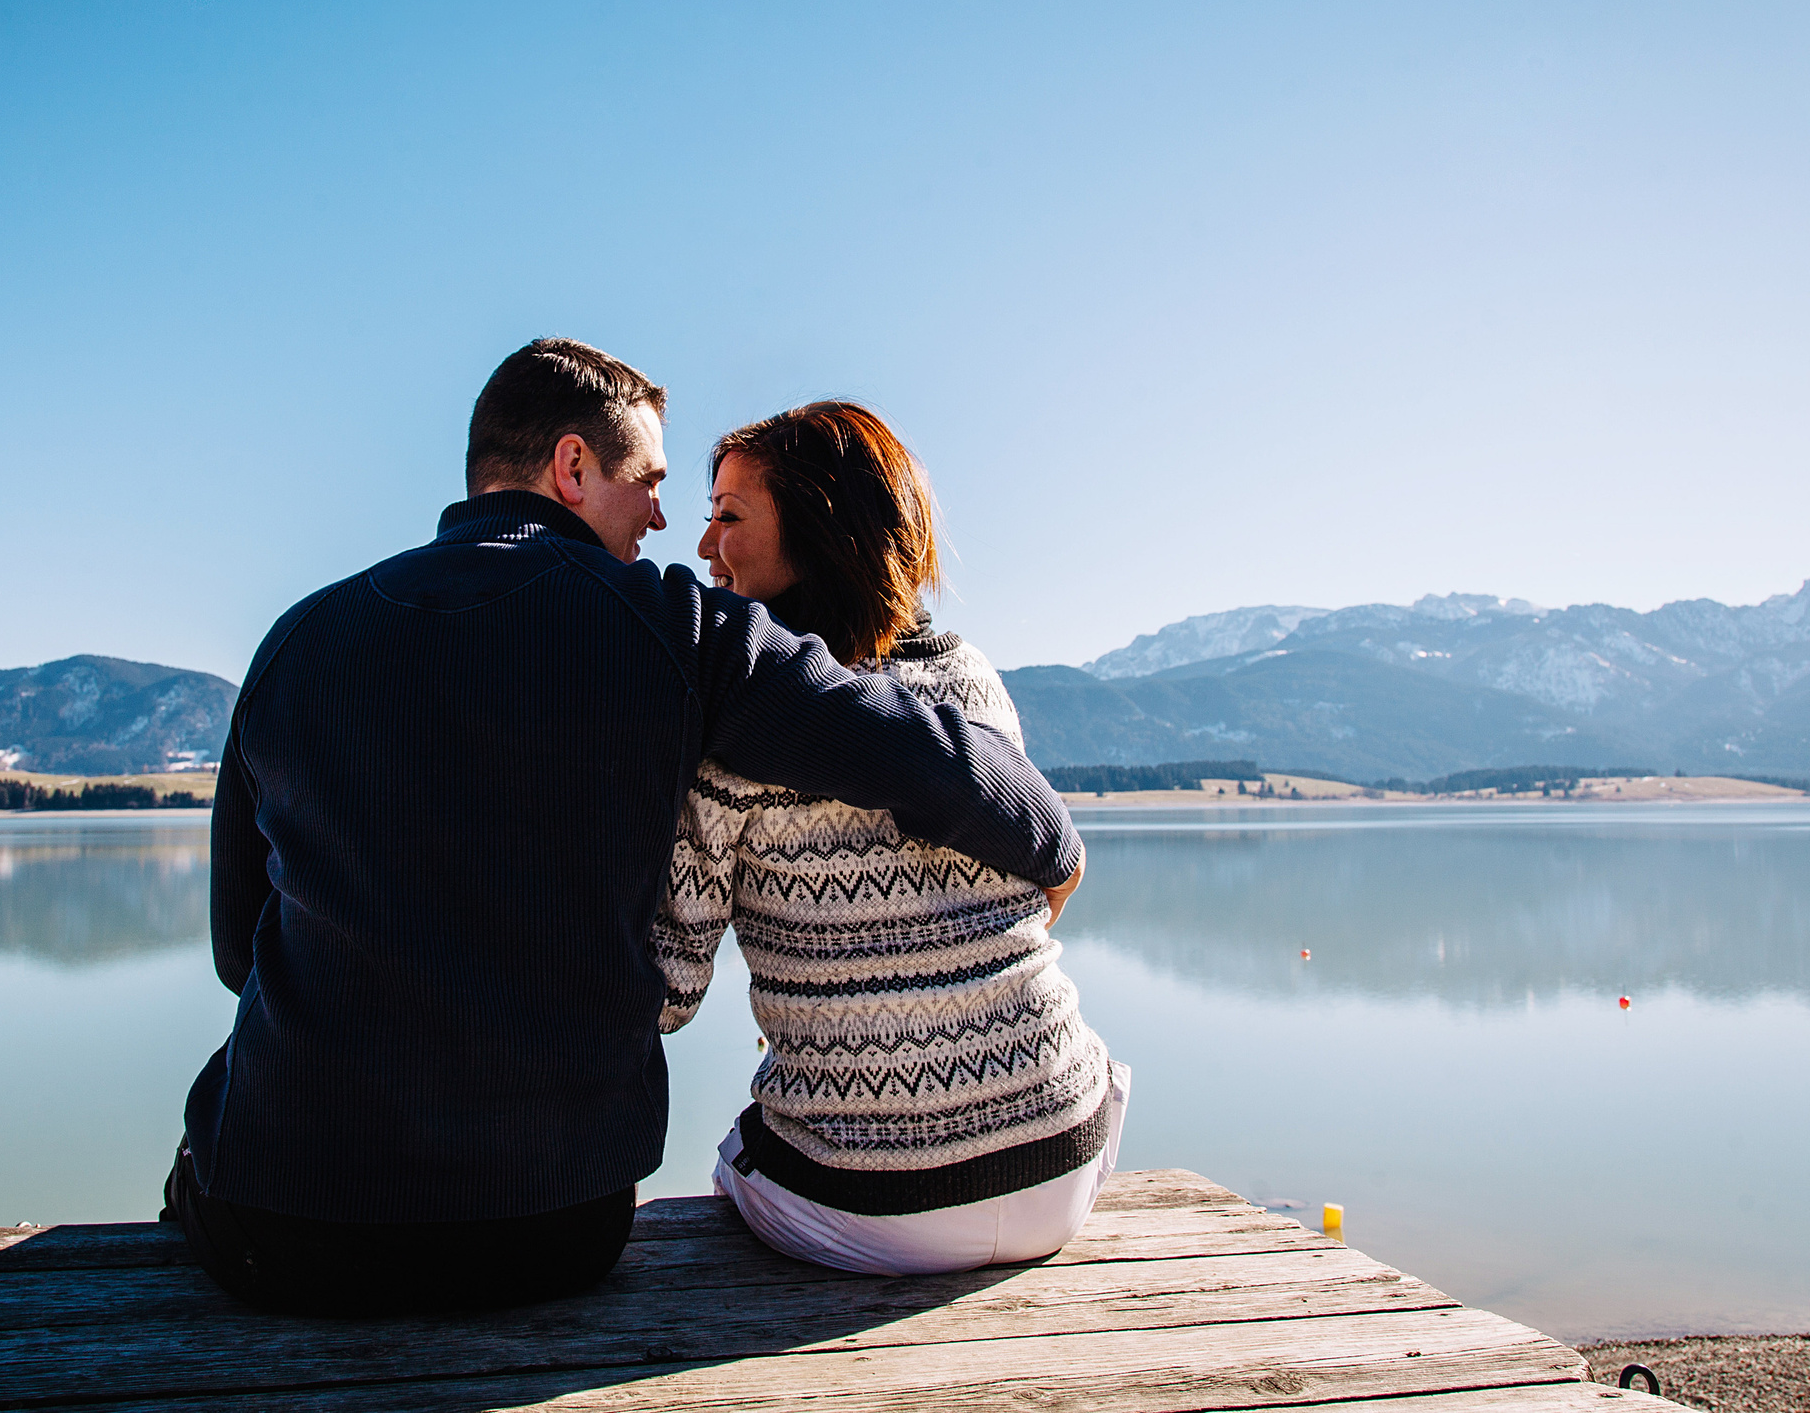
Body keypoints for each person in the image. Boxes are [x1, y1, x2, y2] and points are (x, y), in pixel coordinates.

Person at [166, 340, 1082, 1317]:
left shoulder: (299, 642)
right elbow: (914, 751)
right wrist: (1054, 846)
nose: (661, 518)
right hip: (554, 1232)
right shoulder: (674, 630)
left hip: (286, 1235)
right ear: (571, 467)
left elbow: (238, 953)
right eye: (647, 481)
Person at [656, 401, 1126, 1276]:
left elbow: (668, 986)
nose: (705, 544)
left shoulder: (739, 736)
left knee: (738, 1159)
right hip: (1063, 1158)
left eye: (729, 514)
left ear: (819, 527)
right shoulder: (970, 675)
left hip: (869, 1210)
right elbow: (1043, 874)